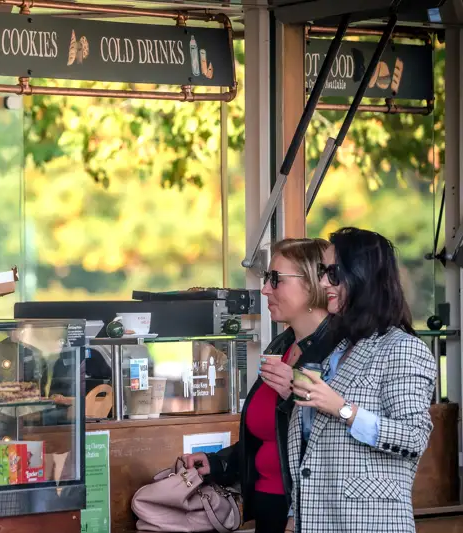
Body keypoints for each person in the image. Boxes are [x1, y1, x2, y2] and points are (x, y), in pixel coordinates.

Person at [289, 227, 436, 533]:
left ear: (362, 276)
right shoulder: (339, 349)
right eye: (321, 272)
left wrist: (344, 410)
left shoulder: (402, 347)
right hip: (320, 518)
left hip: (369, 522)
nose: (322, 282)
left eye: (333, 272)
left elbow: (413, 437)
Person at [184, 239, 335, 533]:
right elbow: (268, 435)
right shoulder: (282, 343)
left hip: (309, 510)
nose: (265, 289)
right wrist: (219, 463)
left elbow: (337, 433)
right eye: (267, 279)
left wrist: (294, 395)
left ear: (313, 282)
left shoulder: (337, 350)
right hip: (268, 505)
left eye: (275, 279)